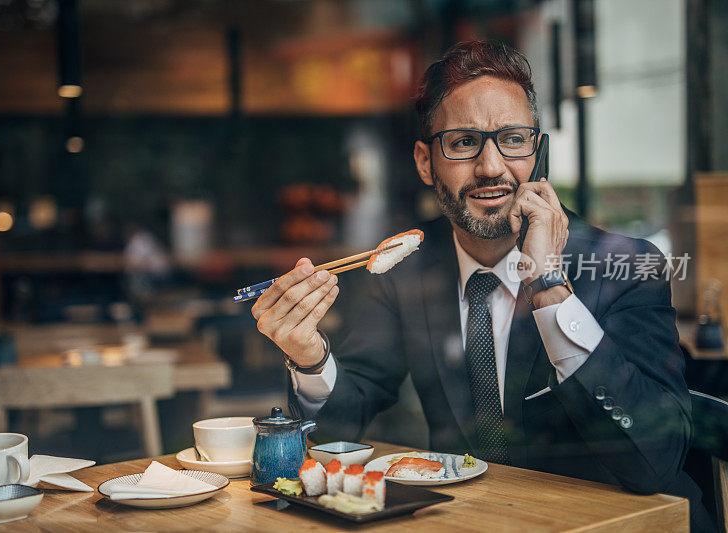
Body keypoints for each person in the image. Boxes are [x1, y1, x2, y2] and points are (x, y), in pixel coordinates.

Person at [251, 41, 713, 531]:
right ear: (426, 162)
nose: (492, 166)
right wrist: (309, 358)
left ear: (537, 152)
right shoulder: (410, 272)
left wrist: (551, 287)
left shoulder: (626, 265)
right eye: (464, 142)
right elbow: (340, 426)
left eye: (513, 139)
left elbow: (656, 463)